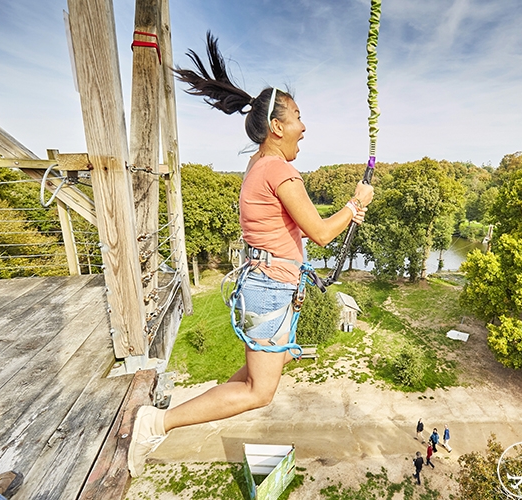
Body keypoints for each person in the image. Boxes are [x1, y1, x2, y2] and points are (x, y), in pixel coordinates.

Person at [127, 32, 374, 477]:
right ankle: (156, 423)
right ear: (277, 126)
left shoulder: (260, 165)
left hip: (268, 285)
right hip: (268, 290)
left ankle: (161, 421)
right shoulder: (279, 169)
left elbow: (292, 230)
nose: (304, 125)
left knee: (250, 379)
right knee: (260, 391)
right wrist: (355, 205)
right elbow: (319, 233)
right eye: (298, 116)